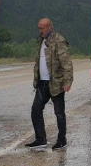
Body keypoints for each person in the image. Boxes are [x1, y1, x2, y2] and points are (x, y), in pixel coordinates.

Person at [26, 18, 74, 151]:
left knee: (59, 113)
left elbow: (67, 63)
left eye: (42, 28)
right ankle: (40, 139)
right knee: (36, 110)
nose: (40, 31)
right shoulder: (40, 41)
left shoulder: (59, 41)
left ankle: (61, 140)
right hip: (42, 83)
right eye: (39, 28)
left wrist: (67, 82)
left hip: (56, 83)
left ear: (50, 28)